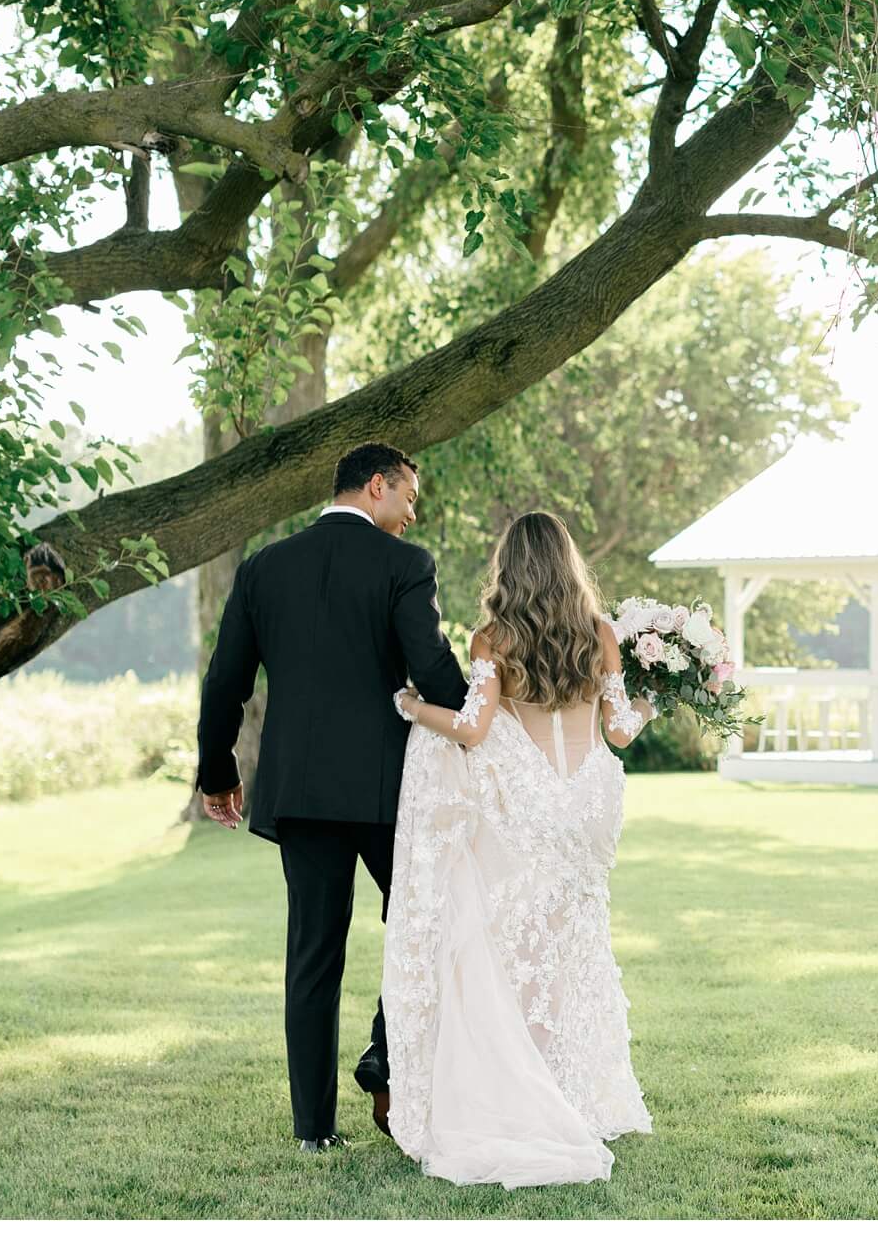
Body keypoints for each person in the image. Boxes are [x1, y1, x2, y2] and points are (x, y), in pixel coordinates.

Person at [195, 442, 468, 1153]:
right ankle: (385, 1056)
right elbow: (433, 666)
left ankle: (315, 1130)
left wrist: (217, 767)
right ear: (376, 486)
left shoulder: (264, 567)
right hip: (386, 792)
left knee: (313, 954)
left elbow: (226, 680)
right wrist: (483, 724)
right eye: (408, 497)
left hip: (302, 792)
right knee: (427, 922)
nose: (412, 514)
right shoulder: (405, 566)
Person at [383, 510, 656, 1187]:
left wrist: (413, 706)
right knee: (577, 939)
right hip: (590, 801)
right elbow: (621, 730)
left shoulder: (494, 639)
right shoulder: (600, 635)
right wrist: (657, 702)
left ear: (510, 566)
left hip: (531, 802)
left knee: (519, 949)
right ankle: (581, 1093)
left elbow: (474, 731)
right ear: (568, 564)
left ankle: (533, 1085)